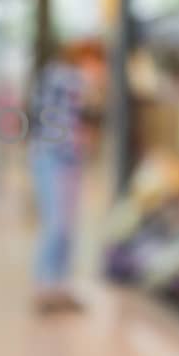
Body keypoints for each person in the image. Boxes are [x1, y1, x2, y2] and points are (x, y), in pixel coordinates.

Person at [29, 39, 106, 315]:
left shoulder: (72, 84)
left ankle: (59, 286)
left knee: (68, 225)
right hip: (52, 159)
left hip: (69, 160)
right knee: (57, 224)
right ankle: (45, 286)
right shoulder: (62, 77)